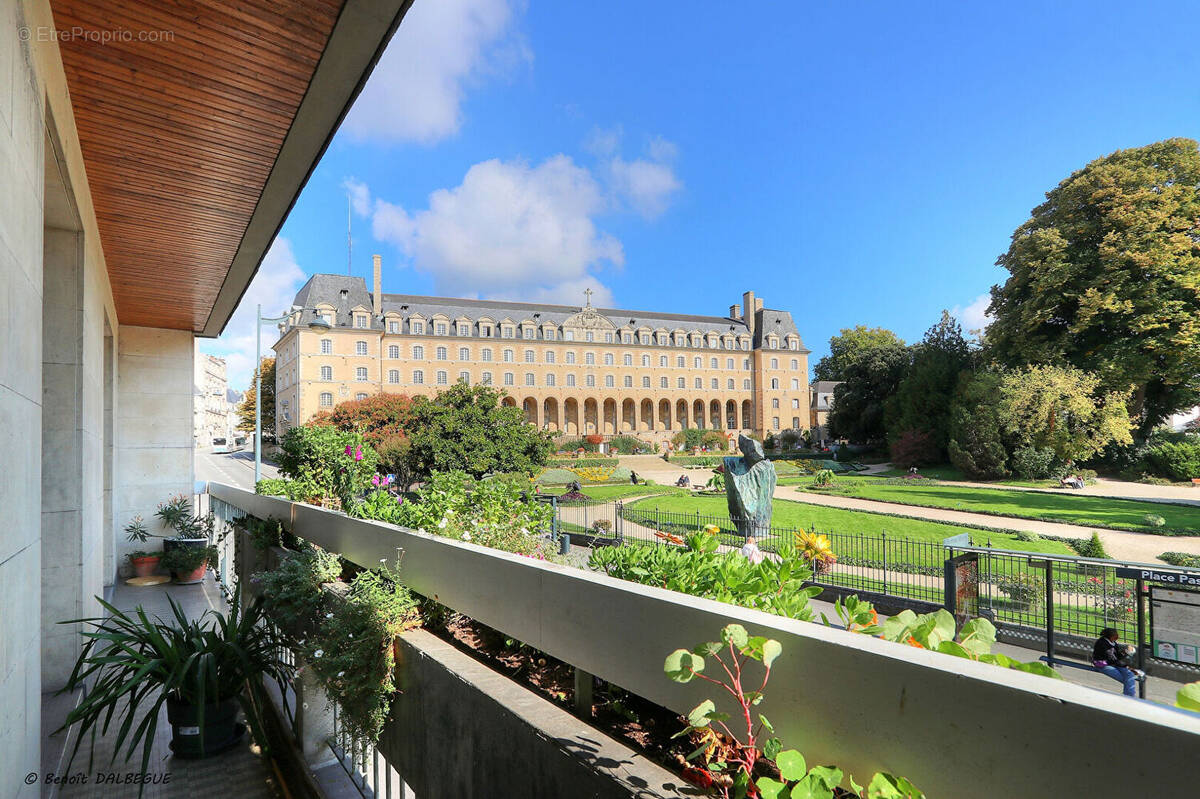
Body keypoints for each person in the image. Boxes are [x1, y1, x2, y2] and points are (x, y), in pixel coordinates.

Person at [1092, 628, 1143, 697]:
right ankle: (1129, 696)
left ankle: (1129, 696)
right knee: (1128, 679)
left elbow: (1117, 657)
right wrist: (1128, 667)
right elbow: (1113, 659)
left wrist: (1126, 652)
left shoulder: (1113, 643)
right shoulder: (1102, 643)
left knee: (1129, 675)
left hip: (1113, 664)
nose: (1118, 637)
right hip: (1102, 665)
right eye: (1116, 635)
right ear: (1110, 636)